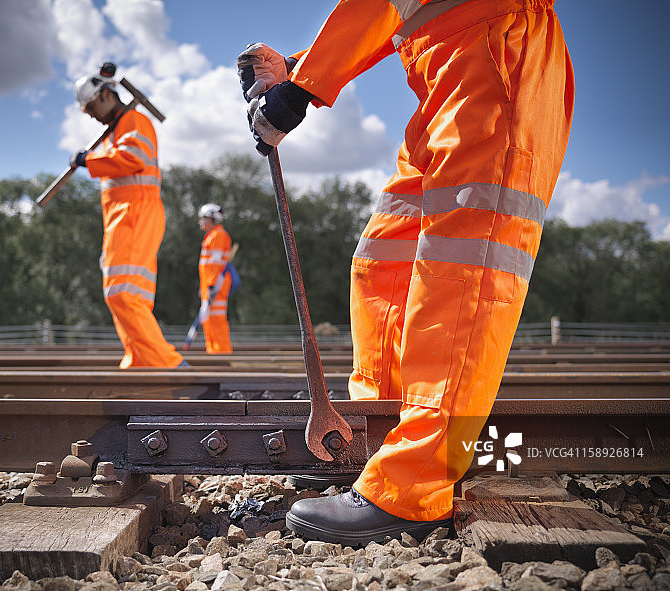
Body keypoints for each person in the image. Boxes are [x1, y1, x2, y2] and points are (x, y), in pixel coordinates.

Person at [238, 0, 574, 546]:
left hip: (497, 56)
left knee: (460, 280)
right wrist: (300, 74)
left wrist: (301, 88)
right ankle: (376, 442)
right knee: (381, 263)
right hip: (447, 67)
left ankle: (414, 485)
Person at [70, 69, 186, 369]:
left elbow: (133, 158)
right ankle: (139, 360)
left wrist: (88, 160)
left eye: (92, 108)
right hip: (122, 218)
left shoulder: (134, 122)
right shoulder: (113, 133)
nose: (92, 116)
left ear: (107, 95)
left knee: (122, 292)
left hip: (136, 212)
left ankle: (165, 363)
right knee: (128, 294)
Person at [197, 203, 234, 354]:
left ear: (211, 219)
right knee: (209, 321)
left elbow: (216, 265)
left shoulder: (218, 236)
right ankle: (213, 353)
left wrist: (211, 287)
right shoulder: (212, 236)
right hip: (211, 287)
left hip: (216, 287)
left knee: (216, 321)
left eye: (202, 218)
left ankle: (222, 355)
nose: (200, 221)